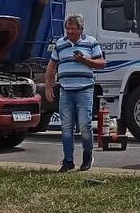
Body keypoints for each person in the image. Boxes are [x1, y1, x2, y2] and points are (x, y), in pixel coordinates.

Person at [44, 14, 106, 172]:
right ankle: (68, 161)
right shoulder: (60, 44)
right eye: (68, 29)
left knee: (85, 125)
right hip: (65, 90)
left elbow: (101, 63)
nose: (70, 32)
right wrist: (48, 87)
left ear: (80, 29)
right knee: (66, 127)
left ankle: (87, 157)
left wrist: (84, 60)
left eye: (73, 29)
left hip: (84, 90)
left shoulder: (90, 42)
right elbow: (51, 67)